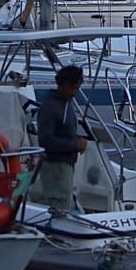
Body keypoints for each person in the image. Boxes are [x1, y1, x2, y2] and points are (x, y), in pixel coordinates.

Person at [35, 64, 86, 213]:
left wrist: (77, 140)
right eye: (71, 88)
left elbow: (63, 132)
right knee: (58, 205)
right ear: (61, 85)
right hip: (55, 166)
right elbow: (45, 141)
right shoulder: (50, 106)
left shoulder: (65, 103)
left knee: (63, 204)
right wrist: (74, 145)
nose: (74, 92)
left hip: (65, 164)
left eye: (77, 88)